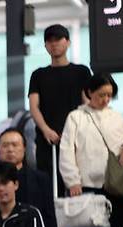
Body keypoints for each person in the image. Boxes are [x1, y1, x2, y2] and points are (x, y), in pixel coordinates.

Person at [59, 72, 123, 227]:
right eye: (102, 95)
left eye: (109, 95)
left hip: (116, 186)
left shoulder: (116, 117)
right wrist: (73, 181)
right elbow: (66, 151)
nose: (106, 99)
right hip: (88, 186)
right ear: (89, 92)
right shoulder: (76, 117)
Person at [28, 24, 91, 191]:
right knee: (48, 188)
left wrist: (73, 132)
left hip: (76, 139)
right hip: (47, 141)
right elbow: (34, 106)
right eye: (50, 40)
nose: (54, 43)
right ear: (45, 46)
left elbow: (87, 104)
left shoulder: (81, 72)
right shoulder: (38, 75)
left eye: (58, 39)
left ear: (68, 42)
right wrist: (46, 130)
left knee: (79, 187)